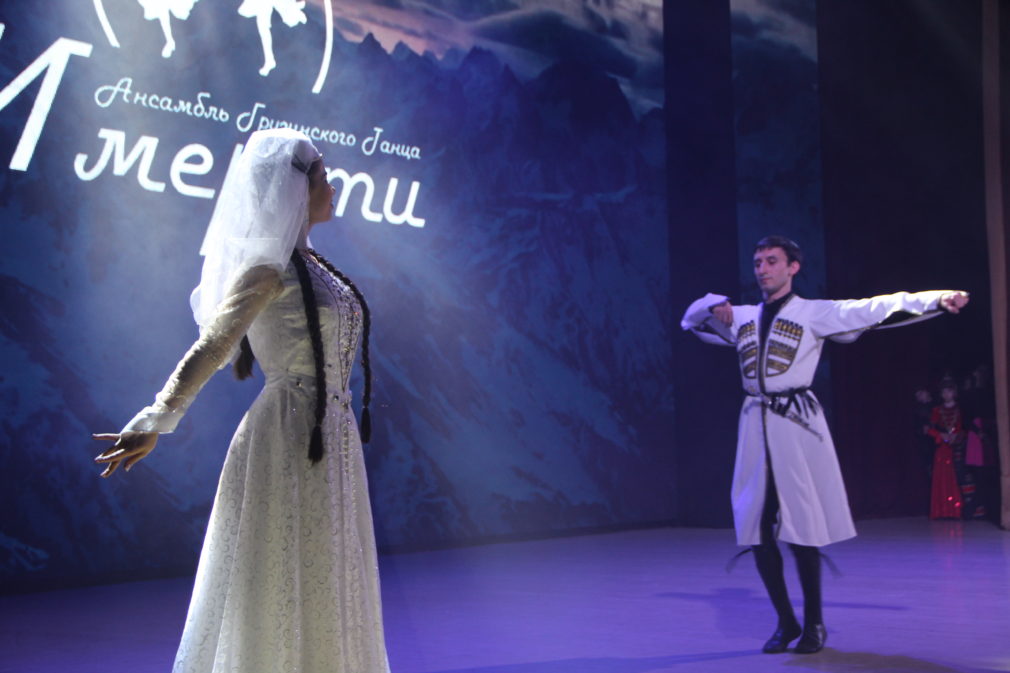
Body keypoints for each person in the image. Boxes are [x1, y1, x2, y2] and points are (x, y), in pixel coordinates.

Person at [93, 128, 390, 673]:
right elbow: (213, 346)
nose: (332, 187)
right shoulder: (267, 270)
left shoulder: (314, 266)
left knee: (327, 566)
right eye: (323, 177)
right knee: (279, 568)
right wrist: (157, 418)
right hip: (288, 434)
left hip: (333, 435)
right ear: (295, 191)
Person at [681, 235, 968, 655]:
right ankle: (785, 621)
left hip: (794, 423)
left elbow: (874, 310)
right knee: (756, 528)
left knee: (801, 526)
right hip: (755, 422)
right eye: (758, 262)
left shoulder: (813, 313)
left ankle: (814, 623)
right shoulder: (742, 316)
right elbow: (690, 320)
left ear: (792, 267)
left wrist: (936, 299)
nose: (763, 269)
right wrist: (713, 304)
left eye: (772, 261)